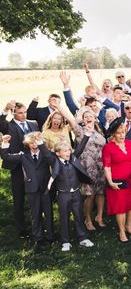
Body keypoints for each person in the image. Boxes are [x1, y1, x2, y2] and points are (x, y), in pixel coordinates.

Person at [55, 104, 107, 230]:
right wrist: (59, 106)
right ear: (83, 120)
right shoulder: (80, 131)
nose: (88, 118)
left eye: (91, 116)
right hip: (86, 167)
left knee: (100, 192)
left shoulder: (100, 131)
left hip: (100, 166)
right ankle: (88, 219)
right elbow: (70, 119)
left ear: (95, 118)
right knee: (90, 194)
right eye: (86, 117)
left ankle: (99, 217)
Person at [1, 132, 55, 244]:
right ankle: (38, 237)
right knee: (35, 213)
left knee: (48, 212)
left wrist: (41, 144)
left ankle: (50, 236)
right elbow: (6, 157)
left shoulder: (45, 154)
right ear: (27, 144)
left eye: (36, 143)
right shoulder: (23, 156)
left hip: (46, 188)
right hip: (32, 188)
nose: (34, 145)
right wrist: (5, 143)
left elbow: (51, 160)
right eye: (31, 143)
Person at [0, 101, 41, 238]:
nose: (24, 115)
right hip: (17, 167)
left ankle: (39, 224)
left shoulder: (33, 124)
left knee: (36, 195)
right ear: (13, 113)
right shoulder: (8, 126)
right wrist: (5, 109)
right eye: (20, 113)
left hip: (34, 166)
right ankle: (21, 229)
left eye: (25, 112)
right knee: (19, 198)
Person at [50, 142, 95, 251]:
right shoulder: (55, 162)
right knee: (64, 217)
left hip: (76, 193)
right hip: (63, 194)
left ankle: (82, 237)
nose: (68, 153)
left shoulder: (73, 159)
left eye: (69, 150)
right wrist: (40, 143)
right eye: (65, 151)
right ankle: (65, 241)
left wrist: (87, 134)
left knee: (79, 215)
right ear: (57, 153)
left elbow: (80, 148)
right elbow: (47, 155)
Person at [102, 118, 131, 243]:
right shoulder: (108, 147)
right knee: (120, 207)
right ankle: (122, 231)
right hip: (117, 181)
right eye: (119, 133)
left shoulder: (130, 143)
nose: (122, 135)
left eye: (123, 132)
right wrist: (111, 182)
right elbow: (106, 166)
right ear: (113, 134)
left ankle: (128, 226)